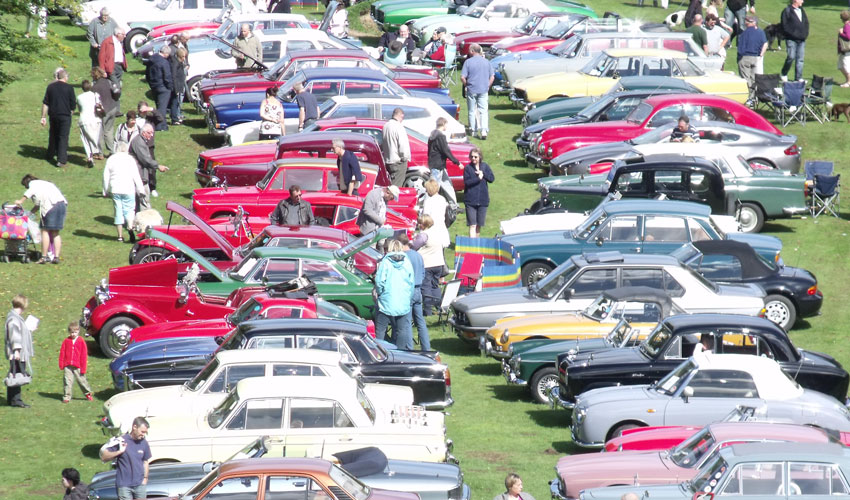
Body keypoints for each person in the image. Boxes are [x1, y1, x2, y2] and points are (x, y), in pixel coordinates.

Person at [15, 174, 68, 264]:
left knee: (45, 231)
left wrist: (20, 201)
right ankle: (56, 257)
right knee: (55, 232)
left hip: (50, 207)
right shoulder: (45, 184)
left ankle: (44, 257)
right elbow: (38, 204)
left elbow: (30, 192)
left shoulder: (33, 184)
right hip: (62, 205)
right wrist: (30, 213)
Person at [374, 239, 415, 350]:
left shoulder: (385, 262)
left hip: (386, 301)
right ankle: (400, 353)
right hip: (403, 301)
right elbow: (412, 283)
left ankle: (380, 352)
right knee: (402, 330)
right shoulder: (407, 262)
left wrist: (380, 293)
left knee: (380, 330)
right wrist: (408, 297)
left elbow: (379, 281)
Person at [99, 416, 152, 500]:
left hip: (140, 485)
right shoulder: (121, 441)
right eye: (142, 431)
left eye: (145, 432)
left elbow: (145, 462)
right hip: (124, 485)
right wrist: (119, 452)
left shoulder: (144, 443)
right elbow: (104, 457)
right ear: (134, 427)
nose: (143, 434)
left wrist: (145, 479)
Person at [103, 142, 145, 242]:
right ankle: (130, 228)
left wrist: (105, 190)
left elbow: (105, 176)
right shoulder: (130, 159)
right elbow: (136, 176)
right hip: (128, 189)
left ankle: (120, 236)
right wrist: (141, 190)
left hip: (115, 189)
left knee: (118, 211)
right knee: (129, 210)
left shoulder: (111, 159)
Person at [410, 212, 447, 318]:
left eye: (419, 223)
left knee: (426, 287)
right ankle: (439, 307)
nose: (418, 225)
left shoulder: (424, 235)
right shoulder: (437, 232)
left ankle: (428, 311)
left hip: (428, 264)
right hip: (439, 263)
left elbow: (415, 246)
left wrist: (411, 242)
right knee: (435, 286)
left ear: (423, 224)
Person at [398, 233, 430, 350]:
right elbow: (422, 272)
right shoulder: (417, 255)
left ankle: (409, 348)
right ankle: (426, 347)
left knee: (407, 322)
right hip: (418, 290)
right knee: (420, 321)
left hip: (408, 291)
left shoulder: (404, 257)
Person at [40, 68, 76, 168]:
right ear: (65, 77)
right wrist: (72, 111)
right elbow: (73, 103)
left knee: (53, 135)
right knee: (63, 137)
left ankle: (50, 153)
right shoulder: (69, 88)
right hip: (65, 115)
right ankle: (61, 159)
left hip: (53, 115)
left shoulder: (50, 87)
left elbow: (45, 102)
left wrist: (43, 116)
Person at [129, 124, 169, 210]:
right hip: (139, 176)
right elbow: (145, 159)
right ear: (143, 133)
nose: (151, 135)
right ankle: (145, 219)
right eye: (149, 133)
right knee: (144, 200)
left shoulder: (142, 140)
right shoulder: (139, 142)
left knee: (141, 200)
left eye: (152, 133)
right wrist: (158, 166)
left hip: (141, 174)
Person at [5, 294, 33, 408]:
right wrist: (16, 350)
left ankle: (12, 399)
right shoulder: (14, 319)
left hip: (17, 353)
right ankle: (16, 400)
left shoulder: (15, 317)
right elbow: (14, 335)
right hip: (17, 353)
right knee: (17, 375)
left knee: (14, 373)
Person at [461, 43, 494, 140]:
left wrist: (466, 85)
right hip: (483, 89)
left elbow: (462, 77)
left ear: (472, 51)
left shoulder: (468, 62)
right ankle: (484, 130)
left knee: (472, 110)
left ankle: (473, 130)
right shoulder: (486, 62)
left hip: (472, 89)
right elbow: (492, 76)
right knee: (483, 110)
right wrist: (488, 85)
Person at [427, 117, 461, 204]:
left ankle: (453, 205)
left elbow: (429, 151)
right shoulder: (441, 136)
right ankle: (428, 204)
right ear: (443, 124)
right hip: (437, 166)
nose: (447, 126)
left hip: (436, 165)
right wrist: (457, 162)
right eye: (446, 124)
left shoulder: (432, 135)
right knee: (433, 188)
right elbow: (446, 151)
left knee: (447, 184)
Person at [463, 148, 494, 238]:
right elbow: (467, 182)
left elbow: (492, 179)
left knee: (478, 226)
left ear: (480, 157)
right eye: (472, 157)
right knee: (472, 225)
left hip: (482, 200)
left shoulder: (485, 166)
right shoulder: (468, 168)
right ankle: (472, 246)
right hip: (470, 201)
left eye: (475, 157)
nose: (473, 159)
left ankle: (476, 246)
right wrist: (478, 179)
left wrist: (483, 174)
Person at [58, 322, 93, 403]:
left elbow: (84, 355)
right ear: (69, 332)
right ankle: (67, 396)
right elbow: (62, 353)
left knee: (82, 381)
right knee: (67, 381)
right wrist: (61, 363)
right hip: (68, 365)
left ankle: (87, 393)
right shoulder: (66, 341)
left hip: (78, 366)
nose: (73, 334)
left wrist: (83, 368)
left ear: (78, 332)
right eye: (72, 332)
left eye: (75, 332)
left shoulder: (81, 341)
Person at [92, 67, 120, 157]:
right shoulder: (108, 82)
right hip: (113, 108)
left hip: (104, 111)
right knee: (109, 130)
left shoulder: (95, 87)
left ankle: (99, 152)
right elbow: (117, 92)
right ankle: (112, 151)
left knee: (100, 131)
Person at [76, 79, 104, 167]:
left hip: (84, 120)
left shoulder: (79, 97)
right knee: (96, 137)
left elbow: (80, 109)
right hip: (96, 119)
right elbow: (100, 106)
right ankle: (97, 151)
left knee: (86, 139)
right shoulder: (95, 95)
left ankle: (90, 157)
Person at [780, 0, 809, 82]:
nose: (802, 1)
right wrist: (794, 34)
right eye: (801, 0)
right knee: (791, 57)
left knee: (800, 59)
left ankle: (798, 77)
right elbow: (784, 26)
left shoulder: (802, 10)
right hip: (791, 39)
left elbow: (806, 23)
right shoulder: (787, 11)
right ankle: (784, 73)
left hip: (801, 39)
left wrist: (805, 34)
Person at [381, 108, 411, 187]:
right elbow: (403, 145)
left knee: (390, 184)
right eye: (402, 117)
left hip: (388, 160)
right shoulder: (399, 127)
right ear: (400, 115)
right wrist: (404, 157)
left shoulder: (386, 126)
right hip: (398, 162)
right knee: (396, 187)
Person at [736, 16, 767, 90]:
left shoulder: (744, 33)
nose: (745, 23)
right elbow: (765, 44)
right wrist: (761, 54)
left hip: (745, 57)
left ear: (753, 23)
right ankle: (753, 97)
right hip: (756, 58)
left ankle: (748, 97)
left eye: (747, 21)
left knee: (746, 79)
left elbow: (740, 48)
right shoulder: (761, 32)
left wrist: (739, 58)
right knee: (753, 79)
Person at [147, 45, 173, 131]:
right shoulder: (164, 62)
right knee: (162, 108)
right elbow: (167, 77)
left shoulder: (151, 59)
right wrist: (170, 87)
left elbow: (147, 73)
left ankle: (162, 124)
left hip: (154, 86)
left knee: (159, 106)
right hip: (163, 87)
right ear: (165, 53)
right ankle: (160, 126)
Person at [422, 179, 450, 246]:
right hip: (442, 230)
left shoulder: (428, 201)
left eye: (427, 189)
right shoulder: (443, 199)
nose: (426, 191)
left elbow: (425, 217)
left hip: (432, 231)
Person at [98, 27, 127, 93]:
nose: (125, 36)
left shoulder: (119, 42)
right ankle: (113, 98)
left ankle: (115, 100)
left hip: (120, 67)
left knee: (117, 85)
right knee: (116, 87)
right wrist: (103, 71)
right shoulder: (107, 42)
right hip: (111, 66)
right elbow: (101, 57)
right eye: (123, 34)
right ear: (118, 34)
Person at [169, 47, 188, 126]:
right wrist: (176, 89)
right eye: (183, 56)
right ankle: (174, 119)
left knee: (177, 102)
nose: (184, 58)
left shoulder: (178, 62)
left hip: (179, 85)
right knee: (175, 103)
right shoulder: (175, 63)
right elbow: (174, 76)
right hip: (175, 87)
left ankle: (176, 116)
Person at [839, 11, 850, 87]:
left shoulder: (847, 26)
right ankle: (847, 80)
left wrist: (841, 33)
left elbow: (848, 37)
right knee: (840, 66)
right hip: (844, 51)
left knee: (846, 67)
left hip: (846, 50)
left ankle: (849, 82)